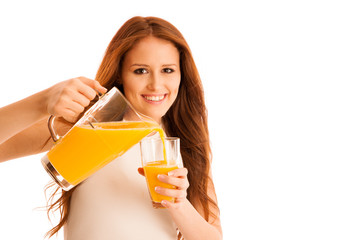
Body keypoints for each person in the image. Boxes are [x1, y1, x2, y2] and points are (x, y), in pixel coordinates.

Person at [0, 16, 222, 240]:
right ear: (120, 74)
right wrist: (42, 103)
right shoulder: (92, 126)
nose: (156, 84)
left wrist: (178, 203)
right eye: (140, 71)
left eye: (167, 70)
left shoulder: (187, 144)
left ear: (181, 74)